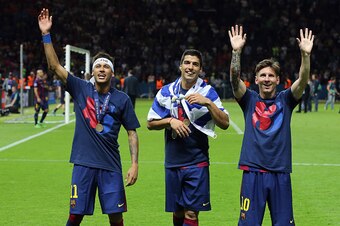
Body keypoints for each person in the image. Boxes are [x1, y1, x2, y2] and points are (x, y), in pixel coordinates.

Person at [38, 8, 140, 226]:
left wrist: (134, 164)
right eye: (98, 66)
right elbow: (54, 66)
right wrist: (46, 34)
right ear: (93, 71)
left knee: (116, 217)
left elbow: (132, 132)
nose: (102, 69)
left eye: (106, 67)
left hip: (111, 165)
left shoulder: (122, 99)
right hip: (83, 164)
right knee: (75, 216)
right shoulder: (80, 88)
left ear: (112, 73)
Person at [228, 25, 314, 225]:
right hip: (253, 173)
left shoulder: (286, 100)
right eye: (263, 75)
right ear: (256, 79)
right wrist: (236, 52)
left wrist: (305, 55)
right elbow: (234, 80)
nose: (267, 79)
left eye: (271, 76)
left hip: (280, 173)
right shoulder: (249, 100)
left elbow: (302, 80)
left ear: (278, 80)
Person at [147, 49, 230, 226]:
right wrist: (170, 121)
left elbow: (225, 123)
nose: (190, 67)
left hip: (197, 162)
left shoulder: (207, 91)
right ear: (180, 66)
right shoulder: (166, 91)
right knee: (177, 211)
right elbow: (150, 123)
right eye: (187, 63)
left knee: (191, 213)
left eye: (195, 64)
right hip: (173, 161)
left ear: (200, 69)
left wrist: (207, 103)